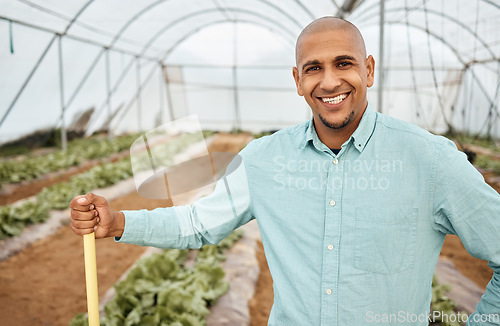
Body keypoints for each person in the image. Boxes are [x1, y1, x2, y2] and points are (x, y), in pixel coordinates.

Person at [70, 17, 500, 325]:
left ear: (368, 70)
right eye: (314, 68)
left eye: (344, 63)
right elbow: (198, 224)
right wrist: (119, 221)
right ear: (298, 80)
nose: (329, 82)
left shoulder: (431, 161)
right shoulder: (263, 160)